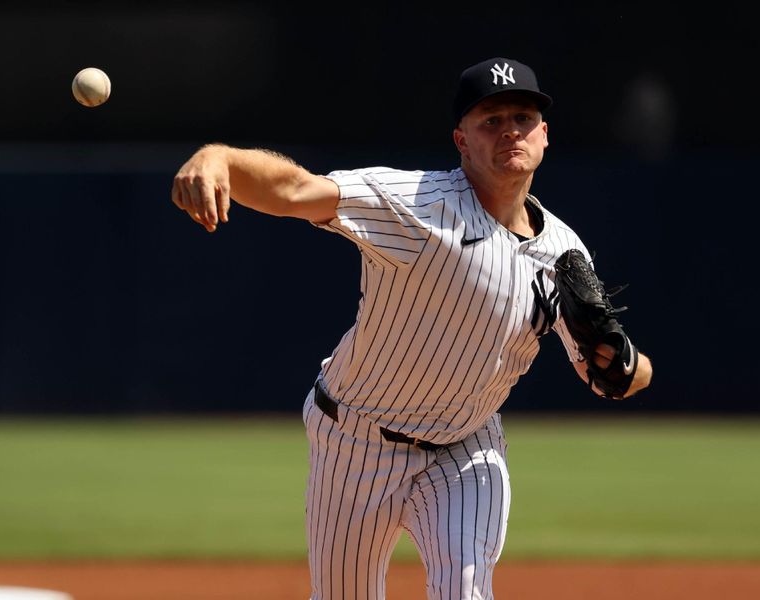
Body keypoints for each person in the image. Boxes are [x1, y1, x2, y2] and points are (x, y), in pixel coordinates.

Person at [171, 56, 653, 600]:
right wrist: (220, 160)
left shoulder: (564, 251)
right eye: (490, 120)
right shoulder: (418, 205)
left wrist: (625, 365)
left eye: (522, 117)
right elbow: (295, 192)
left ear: (544, 135)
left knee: (465, 593)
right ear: (461, 141)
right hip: (354, 439)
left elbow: (620, 372)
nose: (510, 130)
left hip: (465, 448)